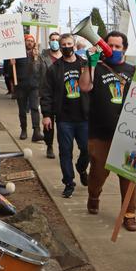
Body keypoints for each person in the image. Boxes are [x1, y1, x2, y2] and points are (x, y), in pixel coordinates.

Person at [78, 30, 136, 232]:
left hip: (128, 136)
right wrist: (90, 63)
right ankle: (94, 196)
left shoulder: (133, 71)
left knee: (129, 177)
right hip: (100, 133)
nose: (113, 49)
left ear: (125, 49)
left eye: (117, 46)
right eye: (110, 45)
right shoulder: (97, 67)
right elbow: (85, 87)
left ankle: (129, 214)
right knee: (97, 173)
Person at [40, 33, 89, 198]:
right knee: (65, 152)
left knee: (87, 149)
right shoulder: (54, 69)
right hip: (64, 119)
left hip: (84, 118)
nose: (67, 47)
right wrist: (46, 114)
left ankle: (81, 168)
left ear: (74, 45)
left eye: (69, 43)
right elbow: (46, 93)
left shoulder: (84, 65)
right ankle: (69, 182)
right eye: (64, 44)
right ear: (60, 47)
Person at [14, 34, 47, 141]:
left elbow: (42, 71)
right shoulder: (17, 55)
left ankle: (36, 131)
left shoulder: (38, 55)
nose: (30, 42)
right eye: (27, 40)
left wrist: (36, 59)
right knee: (22, 110)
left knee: (34, 108)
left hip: (34, 87)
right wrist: (11, 64)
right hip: (21, 86)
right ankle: (23, 130)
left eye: (32, 41)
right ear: (24, 42)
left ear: (34, 43)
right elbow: (10, 73)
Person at [40, 31, 63, 159]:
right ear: (49, 42)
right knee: (48, 122)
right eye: (52, 39)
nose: (54, 41)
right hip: (48, 93)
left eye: (56, 39)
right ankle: (49, 145)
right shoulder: (43, 57)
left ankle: (63, 147)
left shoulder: (66, 57)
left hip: (62, 95)